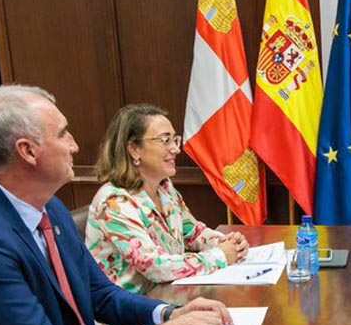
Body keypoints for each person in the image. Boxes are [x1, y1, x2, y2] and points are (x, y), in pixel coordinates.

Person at [0, 85, 232, 325]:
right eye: (63, 134)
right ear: (27, 152)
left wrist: (169, 313)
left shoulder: (51, 210)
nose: (75, 145)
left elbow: (101, 295)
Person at [85, 103, 249, 294]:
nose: (175, 149)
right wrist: (221, 255)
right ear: (134, 149)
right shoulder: (114, 202)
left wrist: (225, 242)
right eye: (165, 140)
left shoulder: (164, 188)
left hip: (167, 297)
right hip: (126, 315)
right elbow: (154, 266)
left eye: (174, 140)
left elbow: (193, 232)